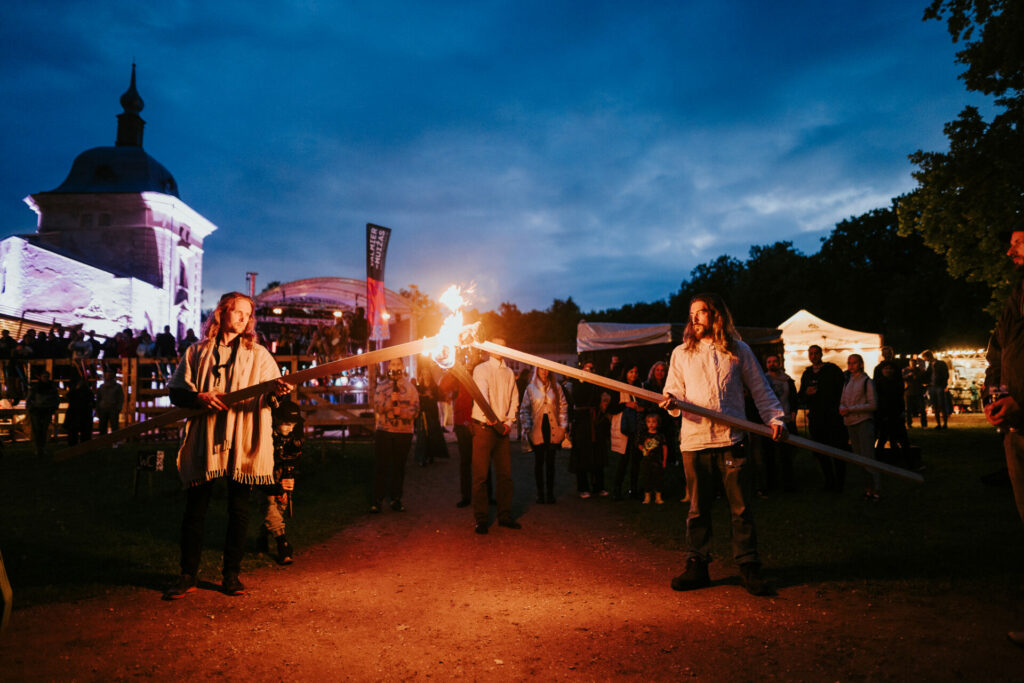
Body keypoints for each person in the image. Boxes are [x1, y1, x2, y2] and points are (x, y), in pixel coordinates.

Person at [163, 292, 292, 599]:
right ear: (222, 313)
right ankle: (187, 574)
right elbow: (177, 392)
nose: (242, 318)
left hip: (242, 437)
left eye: (247, 314)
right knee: (196, 509)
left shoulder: (258, 354)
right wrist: (198, 397)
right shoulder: (197, 351)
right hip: (205, 437)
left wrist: (281, 391)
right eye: (237, 312)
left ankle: (231, 575)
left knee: (239, 510)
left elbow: (273, 396)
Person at [662, 293, 786, 596]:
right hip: (695, 441)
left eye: (701, 312)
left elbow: (761, 388)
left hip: (732, 440)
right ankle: (697, 564)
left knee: (741, 508)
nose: (694, 318)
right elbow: (672, 390)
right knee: (697, 508)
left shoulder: (738, 350)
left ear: (716, 315)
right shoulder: (681, 353)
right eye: (691, 314)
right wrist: (672, 402)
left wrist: (776, 418)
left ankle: (748, 566)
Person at [982, 225, 1024, 648]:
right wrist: (993, 390)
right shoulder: (1017, 297)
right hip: (1017, 429)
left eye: (1018, 241)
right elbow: (999, 352)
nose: (1009, 250)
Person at [470, 337, 520, 534]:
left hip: (502, 430)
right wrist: (491, 418)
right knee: (481, 476)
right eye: (495, 345)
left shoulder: (509, 373)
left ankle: (504, 515)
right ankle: (481, 519)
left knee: (505, 475)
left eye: (503, 345)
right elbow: (482, 395)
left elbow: (514, 398)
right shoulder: (481, 369)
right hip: (484, 427)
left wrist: (508, 422)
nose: (500, 348)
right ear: (488, 348)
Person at [371, 358, 419, 513]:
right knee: (381, 466)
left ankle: (396, 498)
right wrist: (390, 404)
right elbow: (377, 406)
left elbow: (416, 410)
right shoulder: (382, 386)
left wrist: (402, 412)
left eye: (398, 364)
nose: (396, 367)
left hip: (403, 433)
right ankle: (377, 499)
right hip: (384, 431)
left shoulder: (410, 387)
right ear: (388, 367)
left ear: (403, 367)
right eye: (393, 364)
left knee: (399, 466)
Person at [259, 399, 302, 565]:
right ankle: (282, 543)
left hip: (279, 470)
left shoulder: (294, 436)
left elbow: (294, 457)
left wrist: (288, 476)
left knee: (280, 505)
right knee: (268, 503)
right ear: (277, 420)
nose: (290, 428)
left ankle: (263, 535)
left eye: (293, 424)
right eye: (286, 424)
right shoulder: (266, 433)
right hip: (263, 469)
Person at [799, 345, 848, 492]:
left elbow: (843, 390)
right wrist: (807, 393)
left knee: (837, 449)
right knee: (821, 451)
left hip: (833, 417)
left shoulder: (832, 370)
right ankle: (829, 481)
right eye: (811, 353)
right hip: (816, 418)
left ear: (821, 354)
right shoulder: (807, 374)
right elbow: (800, 395)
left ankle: (840, 483)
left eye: (816, 353)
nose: (813, 356)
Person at [519, 366, 568, 504]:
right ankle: (540, 493)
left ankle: (550, 493)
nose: (544, 372)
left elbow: (563, 406)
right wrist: (528, 427)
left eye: (547, 369)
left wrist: (563, 426)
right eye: (541, 369)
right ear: (537, 371)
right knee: (539, 461)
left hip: (553, 428)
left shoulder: (556, 387)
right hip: (537, 428)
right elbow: (524, 409)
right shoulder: (531, 388)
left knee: (551, 461)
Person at [840, 354, 879, 500]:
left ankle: (876, 489)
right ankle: (868, 488)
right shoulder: (848, 382)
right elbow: (843, 399)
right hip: (850, 422)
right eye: (849, 363)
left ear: (860, 364)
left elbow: (873, 404)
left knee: (868, 456)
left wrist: (851, 409)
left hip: (863, 421)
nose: (851, 366)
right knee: (859, 457)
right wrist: (842, 408)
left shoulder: (867, 382)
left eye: (854, 363)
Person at [761, 353, 798, 492]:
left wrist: (793, 415)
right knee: (769, 456)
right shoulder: (763, 380)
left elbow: (793, 399)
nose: (772, 364)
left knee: (786, 455)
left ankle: (789, 485)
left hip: (785, 420)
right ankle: (771, 485)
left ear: (779, 363)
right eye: (769, 361)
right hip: (768, 422)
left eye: (774, 361)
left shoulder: (787, 380)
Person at [610, 364, 646, 500]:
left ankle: (633, 489)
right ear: (626, 373)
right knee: (623, 461)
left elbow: (644, 403)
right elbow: (612, 407)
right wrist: (626, 405)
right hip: (623, 428)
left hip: (636, 427)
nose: (634, 375)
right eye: (631, 372)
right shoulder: (618, 387)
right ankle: (617, 489)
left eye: (636, 372)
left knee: (636, 460)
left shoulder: (639, 387)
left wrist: (640, 407)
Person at [26, 369, 60, 457]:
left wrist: (54, 407)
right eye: (44, 376)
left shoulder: (51, 387)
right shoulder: (36, 387)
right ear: (41, 377)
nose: (46, 378)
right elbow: (29, 399)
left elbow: (56, 398)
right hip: (37, 411)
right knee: (37, 430)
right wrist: (30, 408)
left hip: (46, 410)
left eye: (47, 377)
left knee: (44, 430)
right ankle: (38, 448)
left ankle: (42, 447)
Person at [637, 413, 667, 504]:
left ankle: (658, 497)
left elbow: (665, 448)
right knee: (647, 477)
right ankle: (647, 497)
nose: (651, 424)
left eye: (654, 422)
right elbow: (639, 445)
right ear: (646, 423)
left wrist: (664, 460)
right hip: (646, 460)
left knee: (658, 478)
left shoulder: (660, 436)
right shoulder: (644, 435)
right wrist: (644, 449)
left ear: (658, 423)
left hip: (657, 460)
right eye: (649, 422)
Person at [63, 375, 95, 446]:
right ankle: (78, 448)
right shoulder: (85, 391)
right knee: (76, 434)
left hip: (80, 415)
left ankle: (80, 448)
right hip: (78, 415)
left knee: (79, 435)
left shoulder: (86, 392)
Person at [922, 350, 950, 429]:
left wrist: (944, 384)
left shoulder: (940, 363)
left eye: (925, 358)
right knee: (936, 406)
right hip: (933, 386)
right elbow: (927, 375)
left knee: (941, 405)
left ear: (928, 356)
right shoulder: (930, 365)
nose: (924, 360)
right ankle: (940, 424)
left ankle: (944, 424)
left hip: (939, 386)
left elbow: (945, 374)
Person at [95, 369, 124, 435]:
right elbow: (98, 398)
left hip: (112, 408)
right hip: (104, 408)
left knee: (113, 426)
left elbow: (120, 398)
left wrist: (118, 408)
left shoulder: (117, 387)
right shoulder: (102, 387)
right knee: (103, 426)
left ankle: (113, 442)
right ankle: (104, 441)